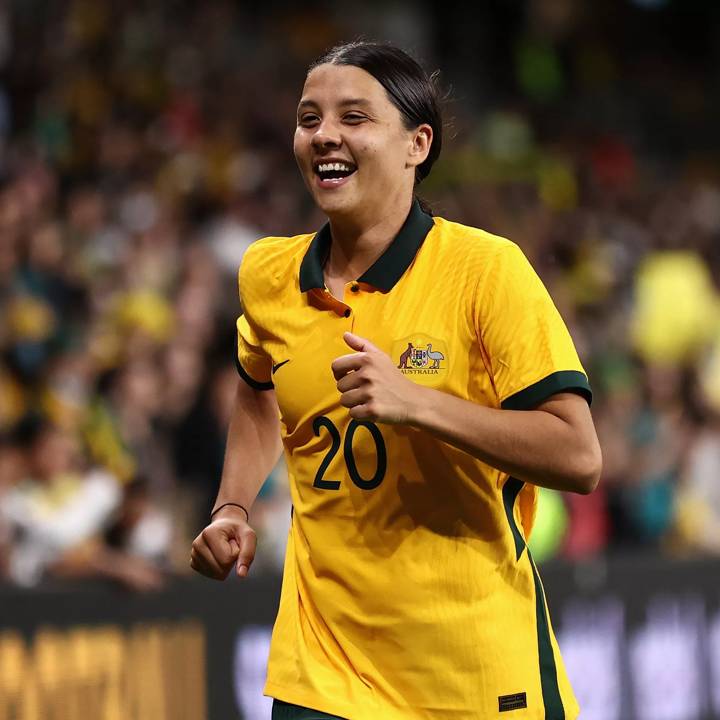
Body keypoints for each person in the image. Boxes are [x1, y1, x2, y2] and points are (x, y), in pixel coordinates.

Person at [190, 40, 602, 720]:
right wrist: (232, 504)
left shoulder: (485, 271)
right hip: (323, 672)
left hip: (470, 670)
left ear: (417, 143)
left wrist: (420, 404)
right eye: (309, 117)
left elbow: (579, 456)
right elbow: (258, 388)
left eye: (354, 117)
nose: (324, 134)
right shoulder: (268, 276)